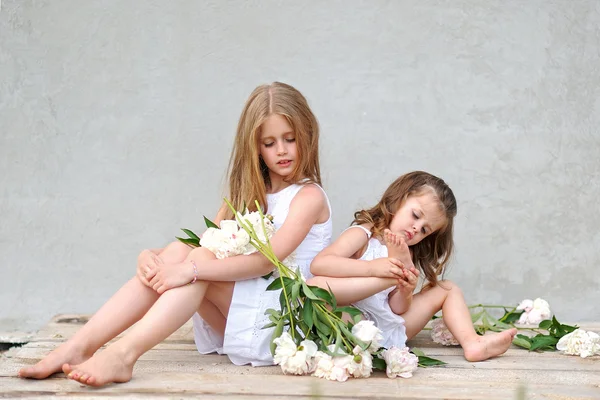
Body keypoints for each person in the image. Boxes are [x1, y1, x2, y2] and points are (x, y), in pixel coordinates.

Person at [19, 82, 332, 386]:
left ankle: (123, 355)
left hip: (284, 325)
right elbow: (198, 242)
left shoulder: (308, 197)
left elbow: (266, 262)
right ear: (255, 148)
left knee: (196, 262)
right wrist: (152, 256)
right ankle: (80, 345)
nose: (282, 150)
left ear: (306, 135)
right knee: (179, 253)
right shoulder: (250, 193)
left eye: (290, 139)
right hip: (241, 318)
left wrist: (191, 269)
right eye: (269, 143)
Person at [308, 171, 516, 362]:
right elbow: (320, 264)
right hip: (352, 318)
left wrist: (404, 291)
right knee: (315, 286)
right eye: (415, 215)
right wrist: (373, 269)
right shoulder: (364, 234)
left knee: (448, 289)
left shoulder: (406, 251)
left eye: (425, 230)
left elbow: (397, 308)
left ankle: (473, 343)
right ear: (399, 199)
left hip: (388, 327)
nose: (416, 228)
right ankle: (368, 326)